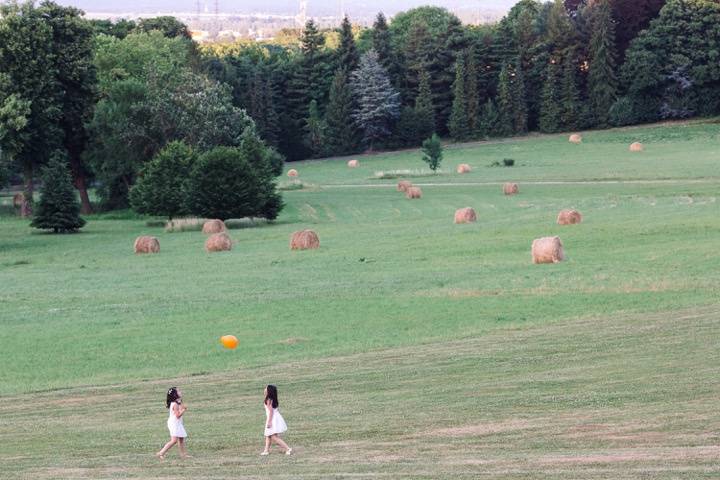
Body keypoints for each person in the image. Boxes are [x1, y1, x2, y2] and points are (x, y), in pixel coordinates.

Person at [156, 387, 190, 459]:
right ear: (175, 394)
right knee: (174, 440)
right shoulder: (175, 404)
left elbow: (179, 409)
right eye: (179, 391)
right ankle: (161, 453)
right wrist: (184, 410)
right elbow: (177, 415)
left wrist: (181, 405)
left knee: (181, 439)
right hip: (174, 423)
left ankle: (183, 455)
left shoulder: (177, 402)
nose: (180, 392)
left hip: (177, 423)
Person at [261, 384, 292, 456]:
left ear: (269, 391)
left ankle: (287, 448)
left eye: (266, 388)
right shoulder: (272, 398)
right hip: (275, 418)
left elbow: (271, 411)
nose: (264, 389)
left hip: (272, 419)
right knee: (268, 435)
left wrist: (269, 422)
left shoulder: (268, 400)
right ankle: (266, 451)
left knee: (273, 436)